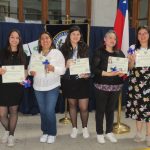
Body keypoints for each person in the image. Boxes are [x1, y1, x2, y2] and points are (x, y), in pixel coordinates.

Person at [28, 31, 65, 144]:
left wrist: (53, 68)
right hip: (38, 87)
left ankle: (52, 133)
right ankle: (45, 132)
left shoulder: (57, 53)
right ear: (40, 41)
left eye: (47, 38)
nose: (45, 40)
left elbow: (63, 70)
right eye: (43, 38)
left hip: (52, 86)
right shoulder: (35, 54)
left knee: (49, 110)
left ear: (51, 40)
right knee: (43, 111)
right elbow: (30, 68)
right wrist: (31, 72)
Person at [92, 30, 125, 144]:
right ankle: (99, 133)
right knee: (100, 110)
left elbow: (124, 70)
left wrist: (122, 73)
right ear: (105, 39)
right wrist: (108, 73)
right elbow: (94, 69)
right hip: (101, 86)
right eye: (110, 38)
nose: (112, 40)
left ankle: (109, 132)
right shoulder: (99, 52)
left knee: (111, 110)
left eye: (114, 39)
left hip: (116, 86)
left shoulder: (119, 53)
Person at [61, 26, 90, 139]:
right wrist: (65, 65)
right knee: (72, 105)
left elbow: (90, 63)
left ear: (80, 36)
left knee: (83, 107)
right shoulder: (63, 48)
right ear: (69, 35)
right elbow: (59, 66)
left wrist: (88, 74)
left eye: (78, 34)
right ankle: (74, 128)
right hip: (69, 81)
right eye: (73, 34)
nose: (75, 36)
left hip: (82, 80)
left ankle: (85, 128)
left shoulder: (85, 47)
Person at [0, 29, 28, 147]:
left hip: (17, 88)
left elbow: (26, 72)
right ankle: (7, 130)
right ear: (8, 38)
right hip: (2, 87)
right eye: (12, 37)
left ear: (19, 40)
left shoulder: (23, 54)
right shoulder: (1, 52)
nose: (14, 39)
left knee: (13, 111)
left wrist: (24, 81)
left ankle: (11, 135)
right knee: (2, 114)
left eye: (17, 37)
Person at [126, 26, 150, 147]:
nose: (142, 35)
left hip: (149, 82)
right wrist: (132, 60)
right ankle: (139, 133)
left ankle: (148, 135)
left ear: (149, 35)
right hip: (136, 83)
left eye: (145, 33)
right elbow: (129, 68)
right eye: (140, 33)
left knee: (149, 110)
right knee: (139, 108)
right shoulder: (132, 48)